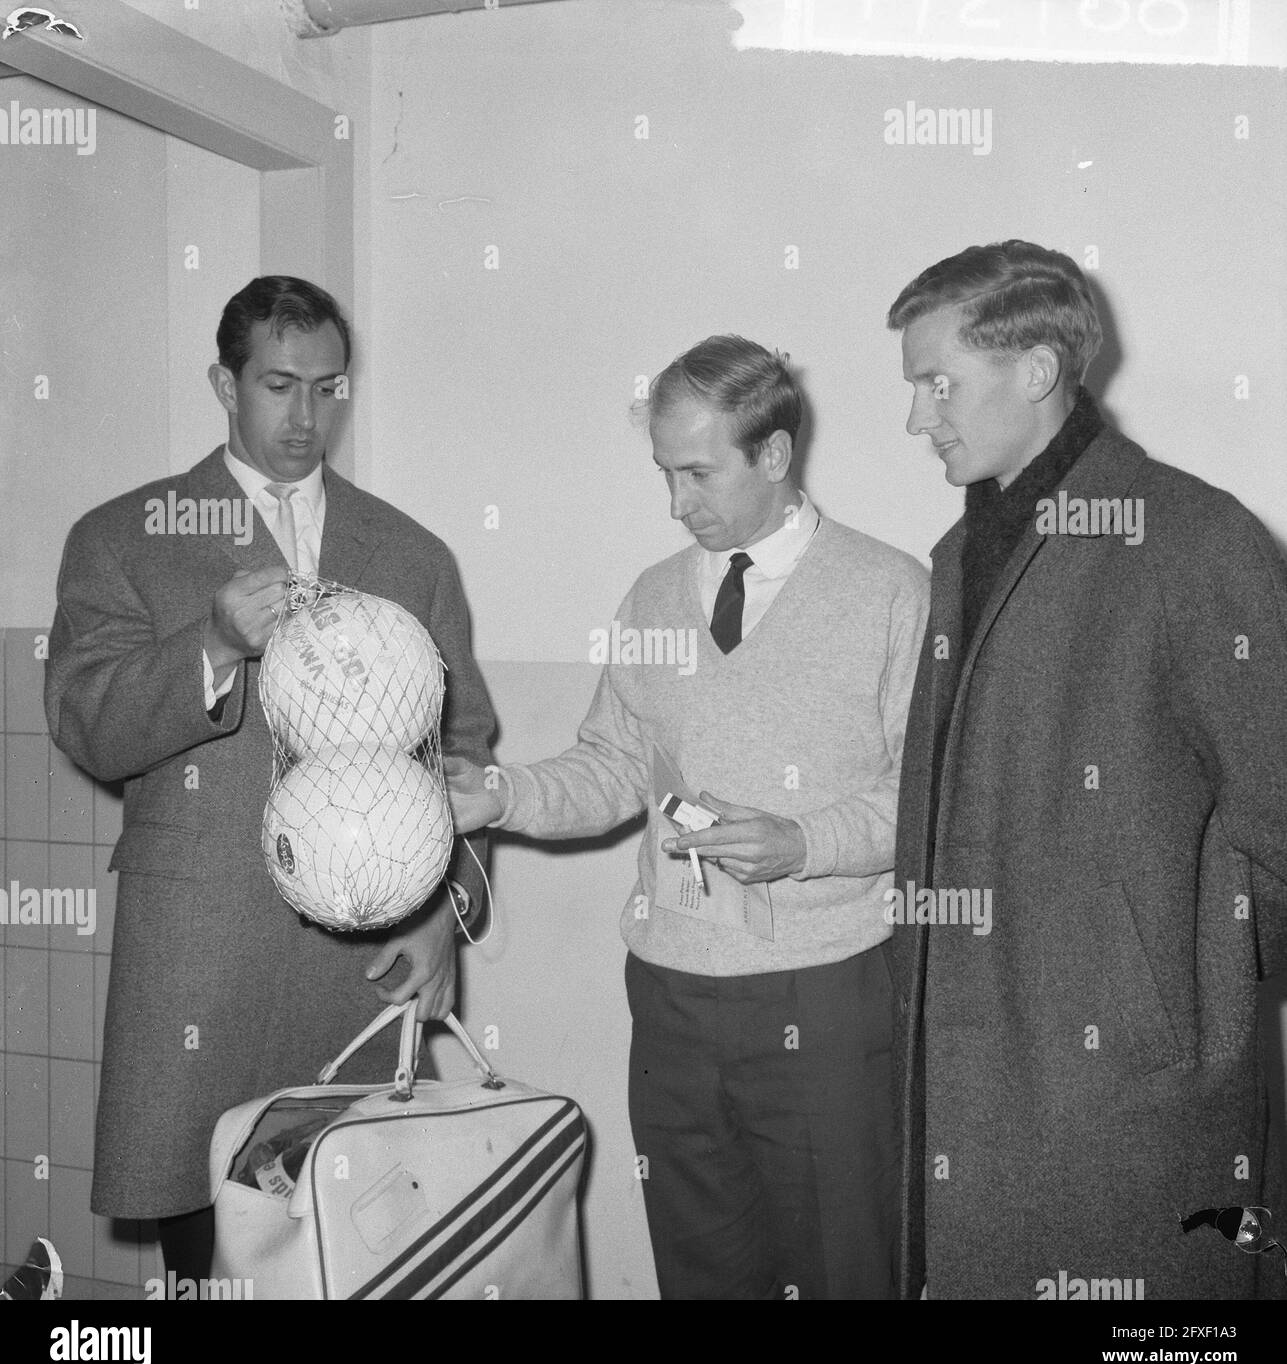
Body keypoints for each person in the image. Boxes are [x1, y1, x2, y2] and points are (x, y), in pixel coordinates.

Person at [447, 335, 928, 1299]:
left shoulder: (889, 591)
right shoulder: (653, 595)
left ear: (775, 455)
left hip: (823, 996)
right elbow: (611, 764)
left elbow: (925, 798)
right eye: (664, 474)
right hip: (669, 996)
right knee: (701, 1273)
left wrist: (801, 845)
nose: (676, 504)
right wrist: (499, 795)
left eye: (698, 473)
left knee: (843, 1270)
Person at [44, 275, 495, 1289]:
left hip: (364, 965)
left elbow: (460, 752)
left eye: (329, 388)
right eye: (279, 385)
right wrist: (207, 642)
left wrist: (443, 916)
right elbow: (88, 726)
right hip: (198, 961)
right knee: (208, 1251)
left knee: (360, 1244)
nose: (307, 417)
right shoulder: (123, 538)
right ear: (224, 381)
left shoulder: (412, 554)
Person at [885, 240, 1287, 1299]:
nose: (918, 419)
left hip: (1124, 1101)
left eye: (938, 384)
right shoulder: (955, 557)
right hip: (968, 1073)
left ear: (1035, 371)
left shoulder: (1195, 539)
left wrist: (1181, 982)